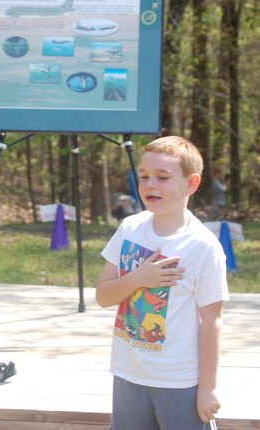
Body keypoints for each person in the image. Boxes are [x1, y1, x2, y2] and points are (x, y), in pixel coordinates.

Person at [95, 136, 229, 430]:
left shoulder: (203, 247)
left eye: (163, 177)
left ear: (191, 184)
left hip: (180, 381)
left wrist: (207, 388)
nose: (150, 184)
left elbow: (212, 322)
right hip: (128, 373)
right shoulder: (130, 228)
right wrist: (139, 278)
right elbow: (103, 297)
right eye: (143, 176)